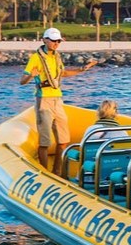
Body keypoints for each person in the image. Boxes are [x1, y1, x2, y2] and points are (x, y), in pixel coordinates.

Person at [20, 28, 98, 177]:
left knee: (63, 141)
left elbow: (63, 73)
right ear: (44, 40)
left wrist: (82, 69)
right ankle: (44, 172)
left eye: (58, 41)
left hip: (58, 99)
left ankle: (58, 171)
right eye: (54, 40)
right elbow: (22, 80)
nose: (56, 43)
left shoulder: (57, 56)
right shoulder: (35, 58)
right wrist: (31, 76)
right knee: (45, 142)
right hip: (43, 100)